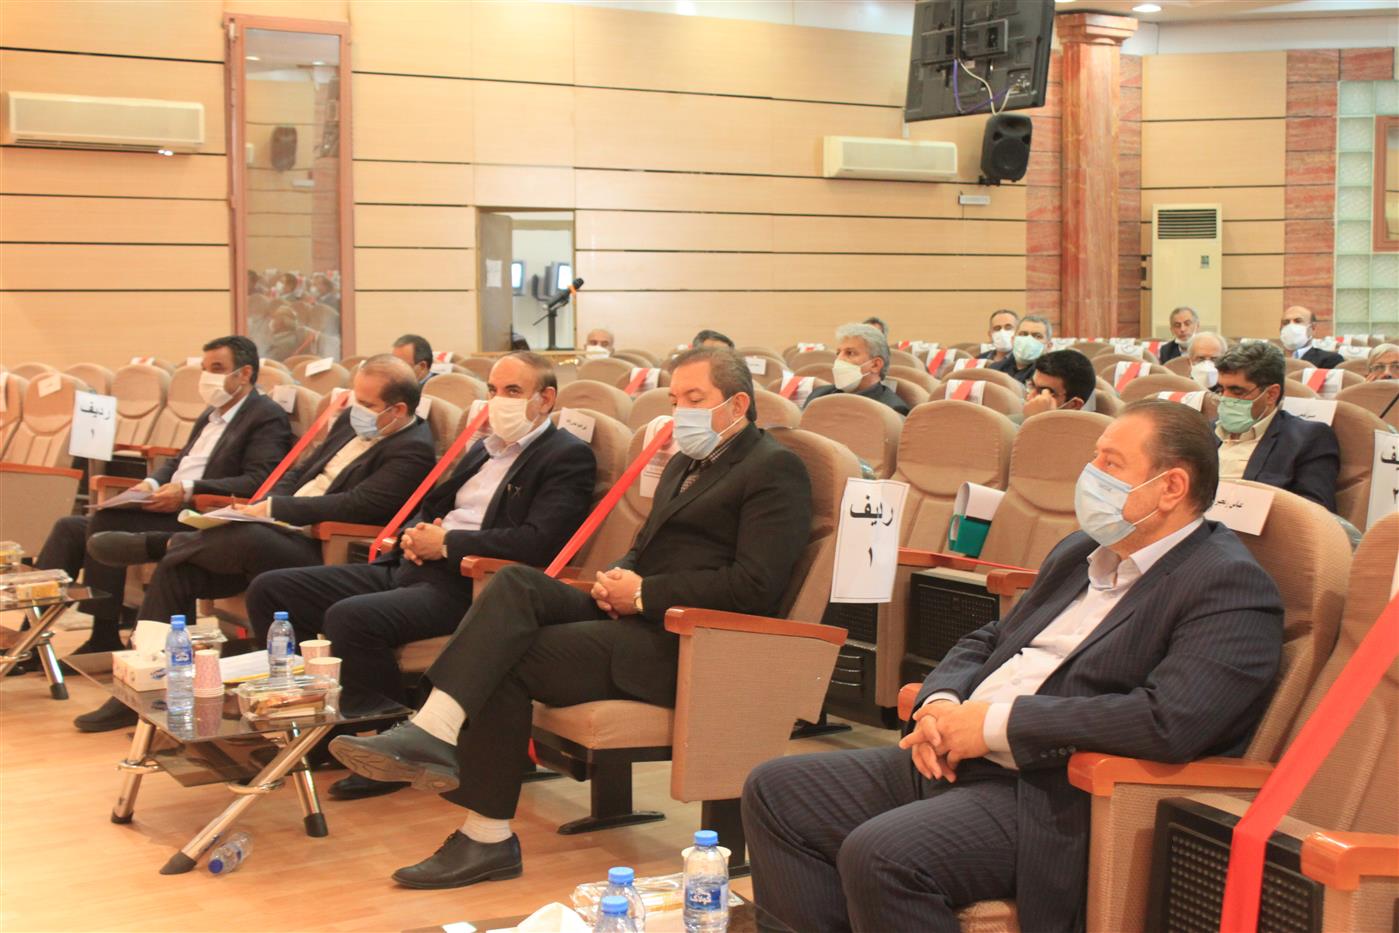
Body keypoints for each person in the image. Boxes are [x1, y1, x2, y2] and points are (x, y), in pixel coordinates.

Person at [741, 399, 1284, 933]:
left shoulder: (1227, 584)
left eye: (1111, 463)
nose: (1091, 473)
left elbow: (1169, 721)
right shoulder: (1081, 550)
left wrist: (994, 726)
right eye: (1095, 457)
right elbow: (992, 638)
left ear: (1171, 487)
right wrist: (941, 703)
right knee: (776, 790)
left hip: (1049, 791)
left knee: (881, 853)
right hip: (957, 756)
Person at [328, 347, 813, 889]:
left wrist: (645, 594)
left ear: (737, 404)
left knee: (507, 660)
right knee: (515, 583)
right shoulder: (685, 461)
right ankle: (433, 728)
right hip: (636, 615)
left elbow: (756, 586)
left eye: (694, 399)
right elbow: (648, 546)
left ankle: (484, 836)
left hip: (689, 642)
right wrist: (618, 575)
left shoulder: (774, 469)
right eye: (675, 400)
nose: (680, 412)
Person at [244, 353, 597, 800]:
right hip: (410, 565)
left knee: (351, 617)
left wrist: (447, 544)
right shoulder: (483, 447)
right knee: (273, 590)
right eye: (492, 390)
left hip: (471, 586)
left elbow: (538, 542)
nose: (498, 400)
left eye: (513, 391)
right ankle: (310, 730)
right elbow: (433, 504)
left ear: (545, 399)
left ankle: (386, 748)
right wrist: (414, 534)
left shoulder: (567, 456)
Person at [76, 355, 437, 733]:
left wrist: (273, 510)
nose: (354, 408)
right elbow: (301, 471)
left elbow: (358, 505)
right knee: (178, 568)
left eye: (366, 403)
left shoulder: (412, 449)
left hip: (320, 546)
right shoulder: (351, 421)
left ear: (397, 410)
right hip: (276, 529)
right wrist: (264, 505)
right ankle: (147, 684)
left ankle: (165, 543)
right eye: (354, 398)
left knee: (244, 536)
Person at [33, 337, 292, 655]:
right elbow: (178, 461)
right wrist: (151, 483)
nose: (206, 377)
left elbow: (257, 481)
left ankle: (103, 635)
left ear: (245, 373)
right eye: (204, 369)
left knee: (107, 519)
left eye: (217, 368)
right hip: (167, 505)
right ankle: (32, 639)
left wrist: (188, 490)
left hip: (200, 516)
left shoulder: (265, 415)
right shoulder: (211, 414)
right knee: (68, 528)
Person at [1214, 342, 1339, 512]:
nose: (1225, 399)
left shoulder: (1308, 438)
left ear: (1271, 394)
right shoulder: (1203, 431)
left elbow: (1315, 512)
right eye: (1221, 390)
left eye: (1237, 391)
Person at [804, 323, 909, 416]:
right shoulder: (818, 395)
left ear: (875, 365)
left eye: (850, 353)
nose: (839, 359)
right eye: (838, 353)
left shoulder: (891, 410)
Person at [1020, 349, 1096, 419]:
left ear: (1074, 405)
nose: (1029, 397)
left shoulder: (1090, 430)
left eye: (1042, 392)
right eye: (1032, 385)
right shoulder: (1015, 422)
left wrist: (1038, 421)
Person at [989, 315, 1051, 385]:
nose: (1028, 340)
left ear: (1049, 346)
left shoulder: (1049, 375)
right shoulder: (995, 369)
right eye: (1023, 334)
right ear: (1013, 340)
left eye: (1037, 336)